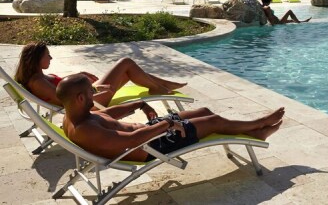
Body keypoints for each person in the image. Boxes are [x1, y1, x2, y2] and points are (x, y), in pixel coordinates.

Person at [55, 74, 283, 161]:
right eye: (91, 92)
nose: (95, 94)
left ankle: (255, 130)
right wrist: (167, 124)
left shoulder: (74, 115)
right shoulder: (85, 129)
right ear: (80, 98)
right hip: (153, 145)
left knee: (204, 111)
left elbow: (106, 115)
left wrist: (140, 104)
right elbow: (132, 141)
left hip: (149, 132)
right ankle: (258, 126)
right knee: (213, 122)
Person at [15, 42, 187, 107]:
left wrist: (78, 75)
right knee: (126, 63)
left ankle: (162, 85)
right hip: (88, 104)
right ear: (37, 59)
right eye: (47, 55)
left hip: (85, 95)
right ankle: (160, 87)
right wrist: (94, 91)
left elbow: (62, 89)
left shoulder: (38, 77)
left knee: (128, 70)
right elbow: (65, 101)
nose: (51, 58)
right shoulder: (37, 82)